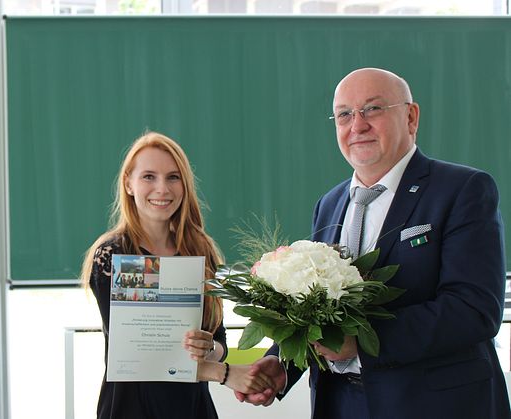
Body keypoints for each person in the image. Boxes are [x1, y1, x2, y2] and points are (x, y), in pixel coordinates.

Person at [237, 67, 510, 418]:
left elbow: (474, 309)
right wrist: (281, 363)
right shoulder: (329, 203)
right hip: (341, 404)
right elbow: (318, 312)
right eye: (344, 114)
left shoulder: (463, 189)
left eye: (373, 109)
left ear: (411, 117)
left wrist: (364, 344)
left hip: (434, 405)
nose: (358, 125)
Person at [81, 131, 267, 418]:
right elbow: (141, 355)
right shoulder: (113, 254)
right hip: (131, 409)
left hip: (192, 408)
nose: (162, 189)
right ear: (128, 183)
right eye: (148, 177)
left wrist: (208, 348)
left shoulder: (200, 249)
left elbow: (220, 342)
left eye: (173, 177)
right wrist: (224, 374)